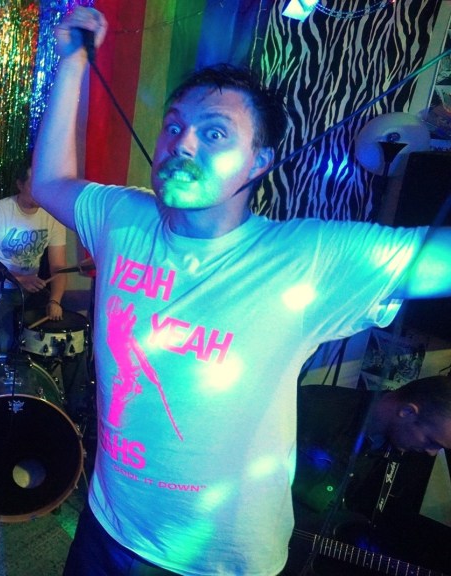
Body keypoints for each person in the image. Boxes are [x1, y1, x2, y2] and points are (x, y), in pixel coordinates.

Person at [31, 7, 451, 575]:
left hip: (219, 561)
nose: (182, 144)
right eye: (174, 126)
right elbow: (50, 182)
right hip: (109, 528)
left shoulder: (306, 257)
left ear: (259, 163)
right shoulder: (123, 216)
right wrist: (73, 61)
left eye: (214, 133)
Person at [288, 378, 451, 575]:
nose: (432, 453)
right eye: (432, 441)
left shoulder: (400, 449)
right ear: (407, 411)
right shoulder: (313, 407)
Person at [0, 154, 68, 353]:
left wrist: (55, 300)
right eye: (34, 185)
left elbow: (59, 267)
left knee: (57, 338)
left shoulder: (53, 216)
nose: (40, 192)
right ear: (20, 185)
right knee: (4, 341)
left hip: (29, 290)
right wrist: (19, 279)